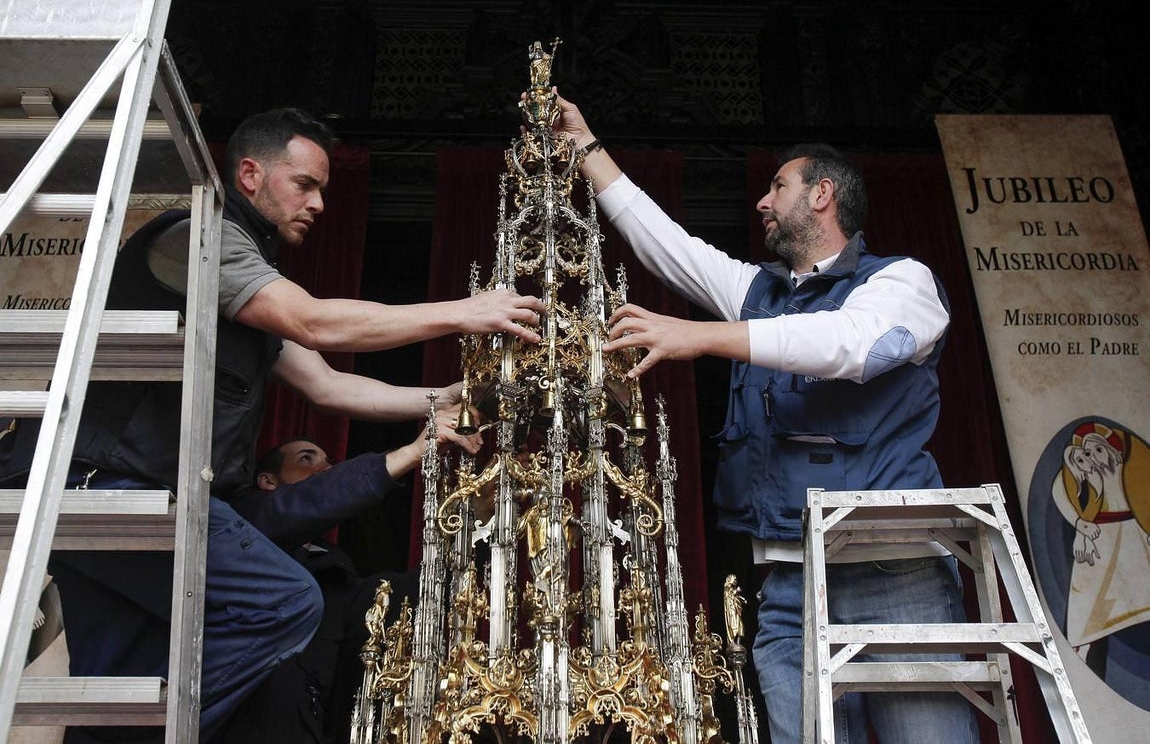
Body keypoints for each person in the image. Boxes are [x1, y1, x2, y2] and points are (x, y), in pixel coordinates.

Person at [0, 107, 542, 743]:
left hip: (103, 503)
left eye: (324, 191)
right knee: (285, 602)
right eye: (304, 184)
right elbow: (315, 323)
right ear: (250, 174)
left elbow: (329, 384)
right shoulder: (199, 236)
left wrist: (446, 399)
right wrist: (465, 312)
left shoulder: (245, 299)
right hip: (106, 490)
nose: (317, 203)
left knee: (117, 686)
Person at [548, 93, 979, 743]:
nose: (761, 201)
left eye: (778, 186)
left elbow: (848, 344)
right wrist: (585, 145)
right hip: (789, 583)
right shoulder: (759, 293)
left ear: (823, 195)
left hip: (897, 572)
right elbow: (665, 242)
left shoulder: (903, 283)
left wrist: (703, 336)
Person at [218, 430, 453, 744]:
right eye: (306, 459)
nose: (325, 468)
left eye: (328, 462)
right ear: (268, 481)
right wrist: (411, 453)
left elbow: (394, 597)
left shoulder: (330, 568)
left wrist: (474, 525)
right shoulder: (240, 532)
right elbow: (311, 499)